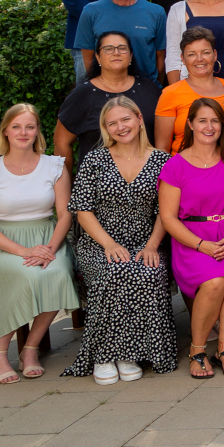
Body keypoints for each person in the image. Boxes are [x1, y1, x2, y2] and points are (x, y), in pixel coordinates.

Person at [62, 97, 175, 383]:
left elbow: (167, 211)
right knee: (113, 270)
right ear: (105, 129)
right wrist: (109, 244)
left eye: (125, 119)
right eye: (112, 123)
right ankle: (103, 355)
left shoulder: (162, 160)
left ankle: (130, 353)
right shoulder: (95, 159)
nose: (120, 127)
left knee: (148, 271)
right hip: (99, 242)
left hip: (146, 240)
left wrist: (151, 245)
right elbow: (82, 209)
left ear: (139, 119)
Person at [0, 105, 78, 384]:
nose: (23, 132)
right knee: (26, 274)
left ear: (37, 131)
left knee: (56, 273)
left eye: (29, 126)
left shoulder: (54, 165)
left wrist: (52, 248)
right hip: (3, 243)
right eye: (16, 126)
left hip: (47, 239)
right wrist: (24, 251)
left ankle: (30, 348)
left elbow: (65, 213)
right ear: (5, 130)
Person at [157, 98, 224, 379]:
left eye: (215, 121)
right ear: (190, 124)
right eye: (202, 120)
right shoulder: (175, 166)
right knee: (213, 282)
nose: (209, 127)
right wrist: (200, 244)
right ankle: (197, 350)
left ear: (222, 126)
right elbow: (168, 218)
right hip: (193, 240)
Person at [55, 31, 163, 164]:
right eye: (108, 49)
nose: (116, 53)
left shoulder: (150, 90)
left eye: (122, 48)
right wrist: (65, 183)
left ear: (131, 56)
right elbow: (62, 143)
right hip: (96, 181)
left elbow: (163, 139)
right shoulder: (82, 94)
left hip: (145, 180)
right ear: (98, 58)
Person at [73, 0, 167, 84]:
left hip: (146, 90)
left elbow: (160, 61)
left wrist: (153, 89)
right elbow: (89, 62)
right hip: (106, 91)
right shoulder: (91, 12)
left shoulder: (156, 12)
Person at [155, 28, 224, 152]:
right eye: (191, 54)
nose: (199, 59)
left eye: (205, 52)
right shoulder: (170, 93)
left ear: (215, 55)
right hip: (182, 168)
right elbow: (162, 148)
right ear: (182, 58)